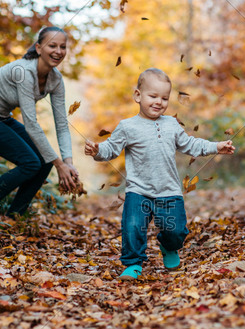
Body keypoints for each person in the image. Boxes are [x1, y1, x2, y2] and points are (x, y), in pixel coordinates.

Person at [85, 68, 235, 280]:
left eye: (164, 98)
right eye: (152, 96)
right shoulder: (127, 126)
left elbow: (190, 144)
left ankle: (168, 246)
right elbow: (110, 149)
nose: (159, 102)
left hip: (169, 191)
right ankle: (133, 264)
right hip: (139, 191)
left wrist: (216, 146)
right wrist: (97, 151)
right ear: (138, 95)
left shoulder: (171, 124)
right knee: (133, 227)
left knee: (176, 232)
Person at [0, 26, 79, 216]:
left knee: (44, 161)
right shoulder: (24, 72)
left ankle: (14, 216)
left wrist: (68, 162)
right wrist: (60, 165)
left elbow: (62, 125)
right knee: (31, 162)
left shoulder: (56, 80)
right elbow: (31, 124)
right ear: (39, 48)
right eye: (52, 46)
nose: (58, 51)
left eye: (63, 47)